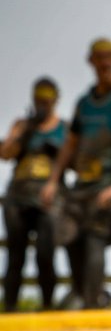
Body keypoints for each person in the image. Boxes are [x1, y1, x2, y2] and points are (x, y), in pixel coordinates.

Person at [41, 38, 111, 309]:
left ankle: (92, 303)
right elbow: (70, 144)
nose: (105, 63)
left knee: (95, 239)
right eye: (100, 57)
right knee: (68, 235)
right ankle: (83, 293)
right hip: (82, 183)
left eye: (109, 57)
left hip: (110, 182)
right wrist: (53, 180)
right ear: (91, 61)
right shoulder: (84, 103)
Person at [1, 77, 66, 311]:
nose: (43, 105)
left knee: (45, 253)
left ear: (55, 100)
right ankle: (9, 308)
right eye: (39, 100)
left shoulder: (63, 128)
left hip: (47, 196)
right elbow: (5, 153)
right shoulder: (21, 124)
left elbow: (74, 161)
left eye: (47, 101)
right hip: (18, 195)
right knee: (15, 255)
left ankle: (47, 305)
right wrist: (24, 131)